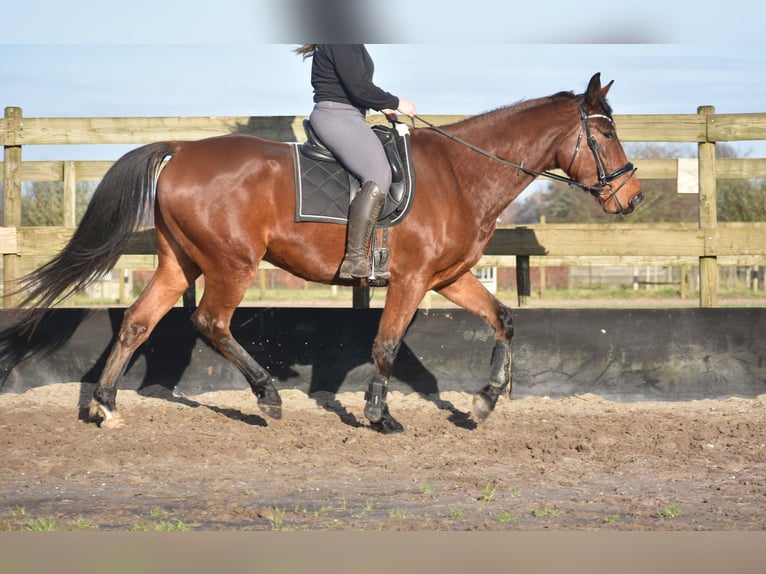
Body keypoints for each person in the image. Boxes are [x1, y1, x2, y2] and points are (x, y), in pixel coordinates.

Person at [295, 44, 417, 279]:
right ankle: (354, 259)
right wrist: (397, 101)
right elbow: (359, 88)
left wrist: (383, 105)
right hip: (338, 115)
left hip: (348, 114)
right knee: (379, 174)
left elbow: (354, 85)